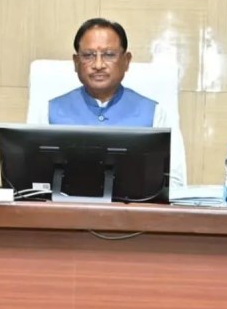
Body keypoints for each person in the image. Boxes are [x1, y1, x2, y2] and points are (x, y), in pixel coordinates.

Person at [27, 18, 187, 187]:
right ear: (76, 62)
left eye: (109, 55)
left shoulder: (155, 114)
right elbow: (29, 179)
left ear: (126, 61)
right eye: (88, 55)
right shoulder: (48, 112)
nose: (98, 65)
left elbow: (174, 182)